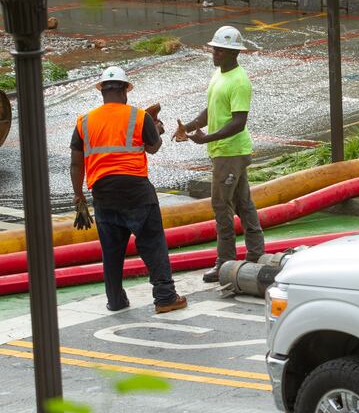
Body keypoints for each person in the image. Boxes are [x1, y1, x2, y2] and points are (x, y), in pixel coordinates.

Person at [70, 66, 187, 313]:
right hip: (136, 192)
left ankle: (115, 300)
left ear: (102, 91)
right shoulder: (138, 117)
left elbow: (76, 163)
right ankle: (165, 297)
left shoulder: (84, 122)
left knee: (111, 252)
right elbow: (153, 148)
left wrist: (79, 196)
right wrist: (158, 129)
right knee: (153, 244)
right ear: (124, 90)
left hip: (103, 194)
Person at [172, 25, 264, 283]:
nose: (214, 53)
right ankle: (256, 256)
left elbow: (238, 122)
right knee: (244, 203)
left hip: (230, 153)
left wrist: (206, 138)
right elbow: (211, 108)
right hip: (225, 152)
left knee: (221, 205)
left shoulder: (239, 81)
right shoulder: (219, 75)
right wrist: (190, 127)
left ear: (233, 53)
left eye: (220, 50)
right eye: (214, 49)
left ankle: (224, 262)